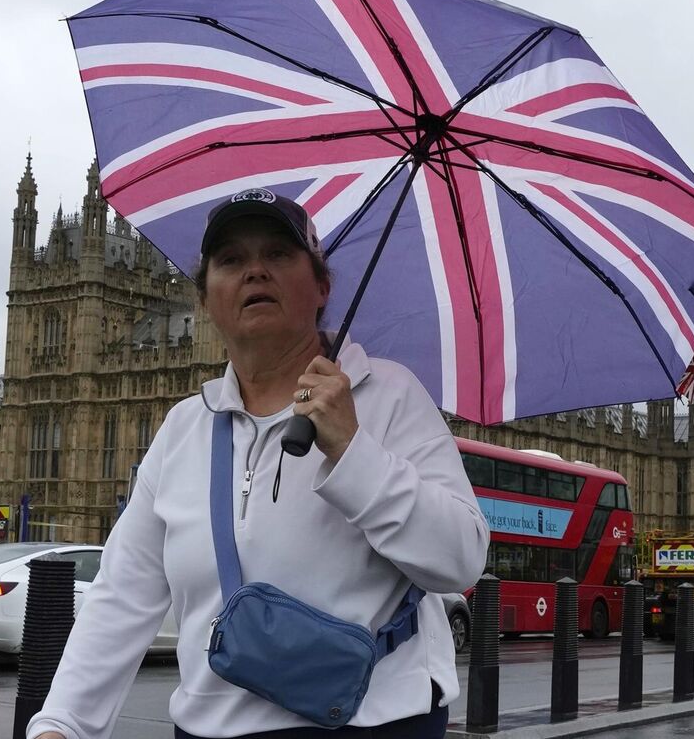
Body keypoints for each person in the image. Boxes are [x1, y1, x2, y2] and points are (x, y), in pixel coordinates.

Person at [26, 189, 491, 739]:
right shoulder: (184, 428)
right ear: (204, 299)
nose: (255, 272)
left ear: (321, 286)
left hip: (370, 723)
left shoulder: (389, 395)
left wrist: (353, 450)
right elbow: (122, 596)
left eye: (277, 254)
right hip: (208, 729)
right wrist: (60, 724)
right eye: (230, 260)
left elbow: (460, 558)